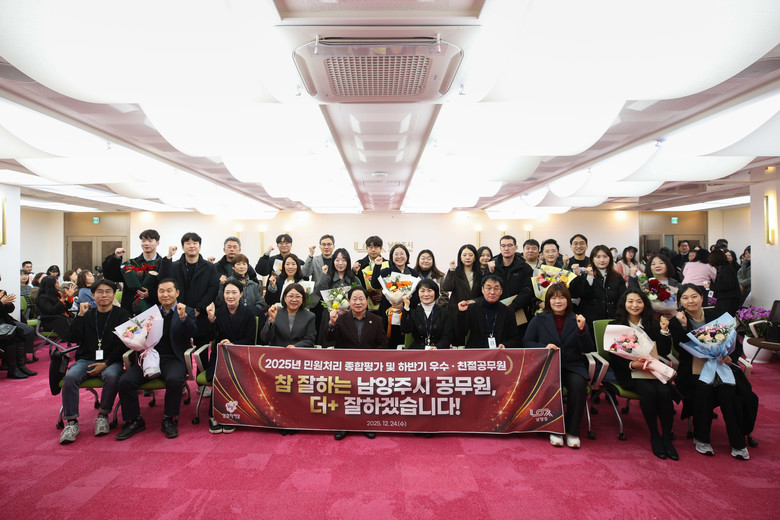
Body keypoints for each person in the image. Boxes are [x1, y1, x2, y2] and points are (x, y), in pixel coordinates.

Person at [669, 284, 753, 460]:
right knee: (704, 391)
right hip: (693, 369)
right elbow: (680, 347)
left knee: (729, 393)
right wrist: (684, 327)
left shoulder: (717, 316)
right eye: (685, 298)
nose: (690, 301)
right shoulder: (677, 321)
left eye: (694, 296)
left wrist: (730, 357)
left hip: (722, 365)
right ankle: (702, 438)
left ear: (702, 297)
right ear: (680, 301)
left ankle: (738, 442)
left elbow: (734, 344)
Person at [116, 279, 196, 440]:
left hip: (173, 358)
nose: (165, 294)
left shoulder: (186, 311)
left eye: (169, 290)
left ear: (177, 293)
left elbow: (193, 332)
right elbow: (136, 334)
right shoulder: (150, 312)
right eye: (161, 291)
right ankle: (135, 420)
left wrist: (183, 318)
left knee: (174, 380)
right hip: (150, 357)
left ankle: (169, 419)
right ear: (157, 294)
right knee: (125, 381)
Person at [59, 279, 131, 444]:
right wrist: (79, 316)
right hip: (86, 359)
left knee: (112, 376)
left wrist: (106, 363)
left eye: (108, 291)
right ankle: (71, 422)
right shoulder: (87, 314)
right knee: (70, 377)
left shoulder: (123, 315)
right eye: (99, 292)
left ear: (114, 294)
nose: (104, 295)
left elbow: (123, 345)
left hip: (111, 360)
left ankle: (103, 415)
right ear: (92, 295)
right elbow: (72, 337)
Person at [609, 290, 677, 460]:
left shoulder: (652, 324)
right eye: (630, 301)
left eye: (639, 301)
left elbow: (663, 351)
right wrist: (632, 364)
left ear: (645, 304)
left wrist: (664, 331)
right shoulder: (615, 326)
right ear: (624, 304)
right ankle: (654, 435)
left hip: (652, 370)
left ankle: (667, 436)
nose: (634, 305)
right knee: (649, 392)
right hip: (629, 372)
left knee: (665, 392)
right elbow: (614, 358)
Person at [523, 284, 589, 449]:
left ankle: (572, 431)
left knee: (578, 385)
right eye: (553, 298)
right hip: (549, 366)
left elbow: (588, 348)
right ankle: (555, 428)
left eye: (561, 297)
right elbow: (526, 342)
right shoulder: (539, 319)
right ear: (548, 301)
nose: (557, 301)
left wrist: (582, 330)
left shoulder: (577, 319)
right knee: (552, 385)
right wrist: (543, 347)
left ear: (568, 300)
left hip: (573, 365)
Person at [326, 286, 388, 441]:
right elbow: (328, 339)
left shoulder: (377, 320)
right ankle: (343, 425)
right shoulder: (341, 318)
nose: (358, 302)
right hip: (345, 367)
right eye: (354, 299)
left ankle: (367, 424)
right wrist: (331, 323)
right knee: (345, 397)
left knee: (367, 397)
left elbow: (383, 344)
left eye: (361, 299)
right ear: (349, 301)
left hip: (369, 367)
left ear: (367, 301)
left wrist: (370, 359)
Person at [205, 278, 263, 434]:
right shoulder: (218, 312)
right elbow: (210, 337)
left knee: (233, 376)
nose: (230, 296)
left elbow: (250, 340)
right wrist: (211, 321)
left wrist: (233, 344)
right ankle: (214, 414)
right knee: (219, 376)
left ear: (241, 294)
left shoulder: (249, 314)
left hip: (240, 356)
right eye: (227, 292)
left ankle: (231, 414)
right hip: (221, 354)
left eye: (234, 292)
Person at [159, 232, 220, 345]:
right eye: (188, 243)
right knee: (180, 347)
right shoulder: (175, 266)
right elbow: (163, 281)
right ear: (183, 247)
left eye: (195, 243)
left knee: (201, 348)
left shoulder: (209, 267)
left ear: (200, 246)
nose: (192, 246)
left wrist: (199, 308)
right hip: (179, 313)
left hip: (201, 314)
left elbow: (213, 289)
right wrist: (168, 257)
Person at [369, 243, 420, 347]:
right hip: (387, 311)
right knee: (387, 342)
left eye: (402, 253)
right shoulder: (386, 272)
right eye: (396, 254)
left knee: (404, 341)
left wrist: (404, 305)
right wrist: (377, 266)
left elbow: (416, 297)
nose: (399, 256)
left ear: (407, 256)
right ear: (392, 257)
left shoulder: (413, 273)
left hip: (406, 313)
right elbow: (375, 285)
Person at [485, 236, 533, 338]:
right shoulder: (491, 266)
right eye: (503, 246)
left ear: (516, 247)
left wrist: (511, 308)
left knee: (517, 341)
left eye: (510, 245)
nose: (506, 248)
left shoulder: (525, 267)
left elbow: (527, 291)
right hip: (496, 311)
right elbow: (486, 287)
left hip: (519, 312)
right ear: (500, 248)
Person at [569, 245, 626, 330]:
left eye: (605, 256)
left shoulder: (617, 277)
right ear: (592, 259)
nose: (602, 260)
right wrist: (589, 277)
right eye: (598, 257)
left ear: (610, 258)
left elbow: (623, 297)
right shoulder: (585, 276)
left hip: (613, 320)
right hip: (591, 322)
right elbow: (578, 294)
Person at [455, 275, 520, 348]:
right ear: (482, 290)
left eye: (496, 289)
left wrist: (505, 345)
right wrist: (462, 313)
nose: (492, 292)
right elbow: (460, 334)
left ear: (501, 291)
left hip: (499, 352)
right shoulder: (472, 308)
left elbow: (515, 339)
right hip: (476, 352)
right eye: (488, 288)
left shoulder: (508, 311)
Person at [313, 248, 359, 339]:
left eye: (343, 260)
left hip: (349, 317)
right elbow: (318, 292)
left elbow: (360, 296)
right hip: (330, 316)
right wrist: (323, 276)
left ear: (348, 262)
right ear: (333, 262)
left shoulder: (354, 279)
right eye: (337, 260)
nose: (340, 263)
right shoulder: (328, 277)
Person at [400, 278, 454, 349]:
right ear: (418, 293)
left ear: (435, 293)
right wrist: (406, 306)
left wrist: (437, 348)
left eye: (429, 291)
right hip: (418, 350)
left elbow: (447, 337)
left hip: (438, 350)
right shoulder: (413, 312)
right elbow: (405, 329)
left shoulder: (445, 313)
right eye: (422, 291)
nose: (426, 294)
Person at [260, 283, 316, 348]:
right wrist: (271, 321)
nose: (294, 300)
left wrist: (295, 346)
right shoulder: (275, 313)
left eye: (298, 297)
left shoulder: (309, 316)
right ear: (285, 298)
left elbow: (310, 340)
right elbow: (265, 338)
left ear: (302, 299)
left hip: (299, 352)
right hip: (278, 352)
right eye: (291, 296)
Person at [1, 287, 37, 379]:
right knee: (12, 337)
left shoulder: (1, 292)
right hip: (2, 324)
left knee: (20, 334)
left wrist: (8, 304)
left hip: (5, 322)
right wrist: (1, 303)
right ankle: (13, 369)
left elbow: (9, 310)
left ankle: (21, 366)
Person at [442, 244, 483, 321]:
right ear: (460, 257)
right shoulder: (455, 271)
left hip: (475, 310)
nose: (467, 257)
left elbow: (483, 294)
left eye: (470, 255)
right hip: (456, 311)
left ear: (475, 258)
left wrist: (474, 301)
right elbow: (447, 287)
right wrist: (452, 270)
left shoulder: (480, 273)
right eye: (464, 255)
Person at [353, 235, 388, 312]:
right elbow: (356, 283)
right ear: (366, 248)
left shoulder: (388, 264)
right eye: (370, 247)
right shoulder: (360, 264)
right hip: (364, 304)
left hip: (384, 304)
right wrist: (354, 271)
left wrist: (384, 295)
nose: (373, 250)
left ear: (381, 248)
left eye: (376, 247)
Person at [36, 275, 72, 342]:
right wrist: (62, 300)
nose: (58, 285)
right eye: (56, 283)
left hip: (61, 318)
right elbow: (52, 311)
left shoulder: (56, 294)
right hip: (50, 321)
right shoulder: (43, 297)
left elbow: (67, 307)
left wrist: (69, 297)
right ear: (50, 285)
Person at [709, 248, 741, 316]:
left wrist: (711, 286)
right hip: (724, 298)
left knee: (724, 317)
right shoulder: (723, 268)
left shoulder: (727, 269)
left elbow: (729, 285)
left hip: (729, 299)